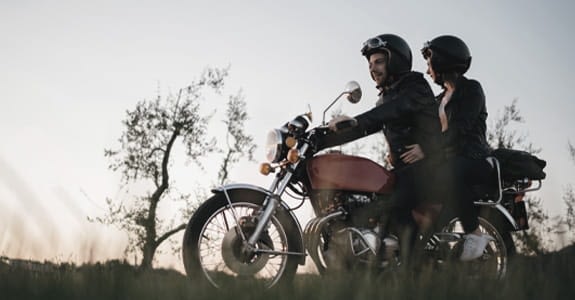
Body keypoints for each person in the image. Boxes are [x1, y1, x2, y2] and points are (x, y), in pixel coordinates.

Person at [318, 33, 442, 264]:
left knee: (396, 204)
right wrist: (320, 139)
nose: (372, 68)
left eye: (378, 62)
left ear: (394, 60)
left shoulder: (414, 86)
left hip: (429, 165)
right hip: (404, 169)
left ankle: (410, 268)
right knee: (366, 201)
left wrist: (355, 121)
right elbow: (368, 125)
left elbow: (389, 112)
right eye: (369, 64)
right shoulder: (384, 98)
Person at [421, 35, 494, 261]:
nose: (427, 70)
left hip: (474, 159)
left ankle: (474, 233)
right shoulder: (438, 99)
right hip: (449, 161)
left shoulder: (471, 89)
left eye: (429, 61)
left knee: (449, 171)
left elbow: (460, 128)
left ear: (442, 60)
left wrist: (427, 150)